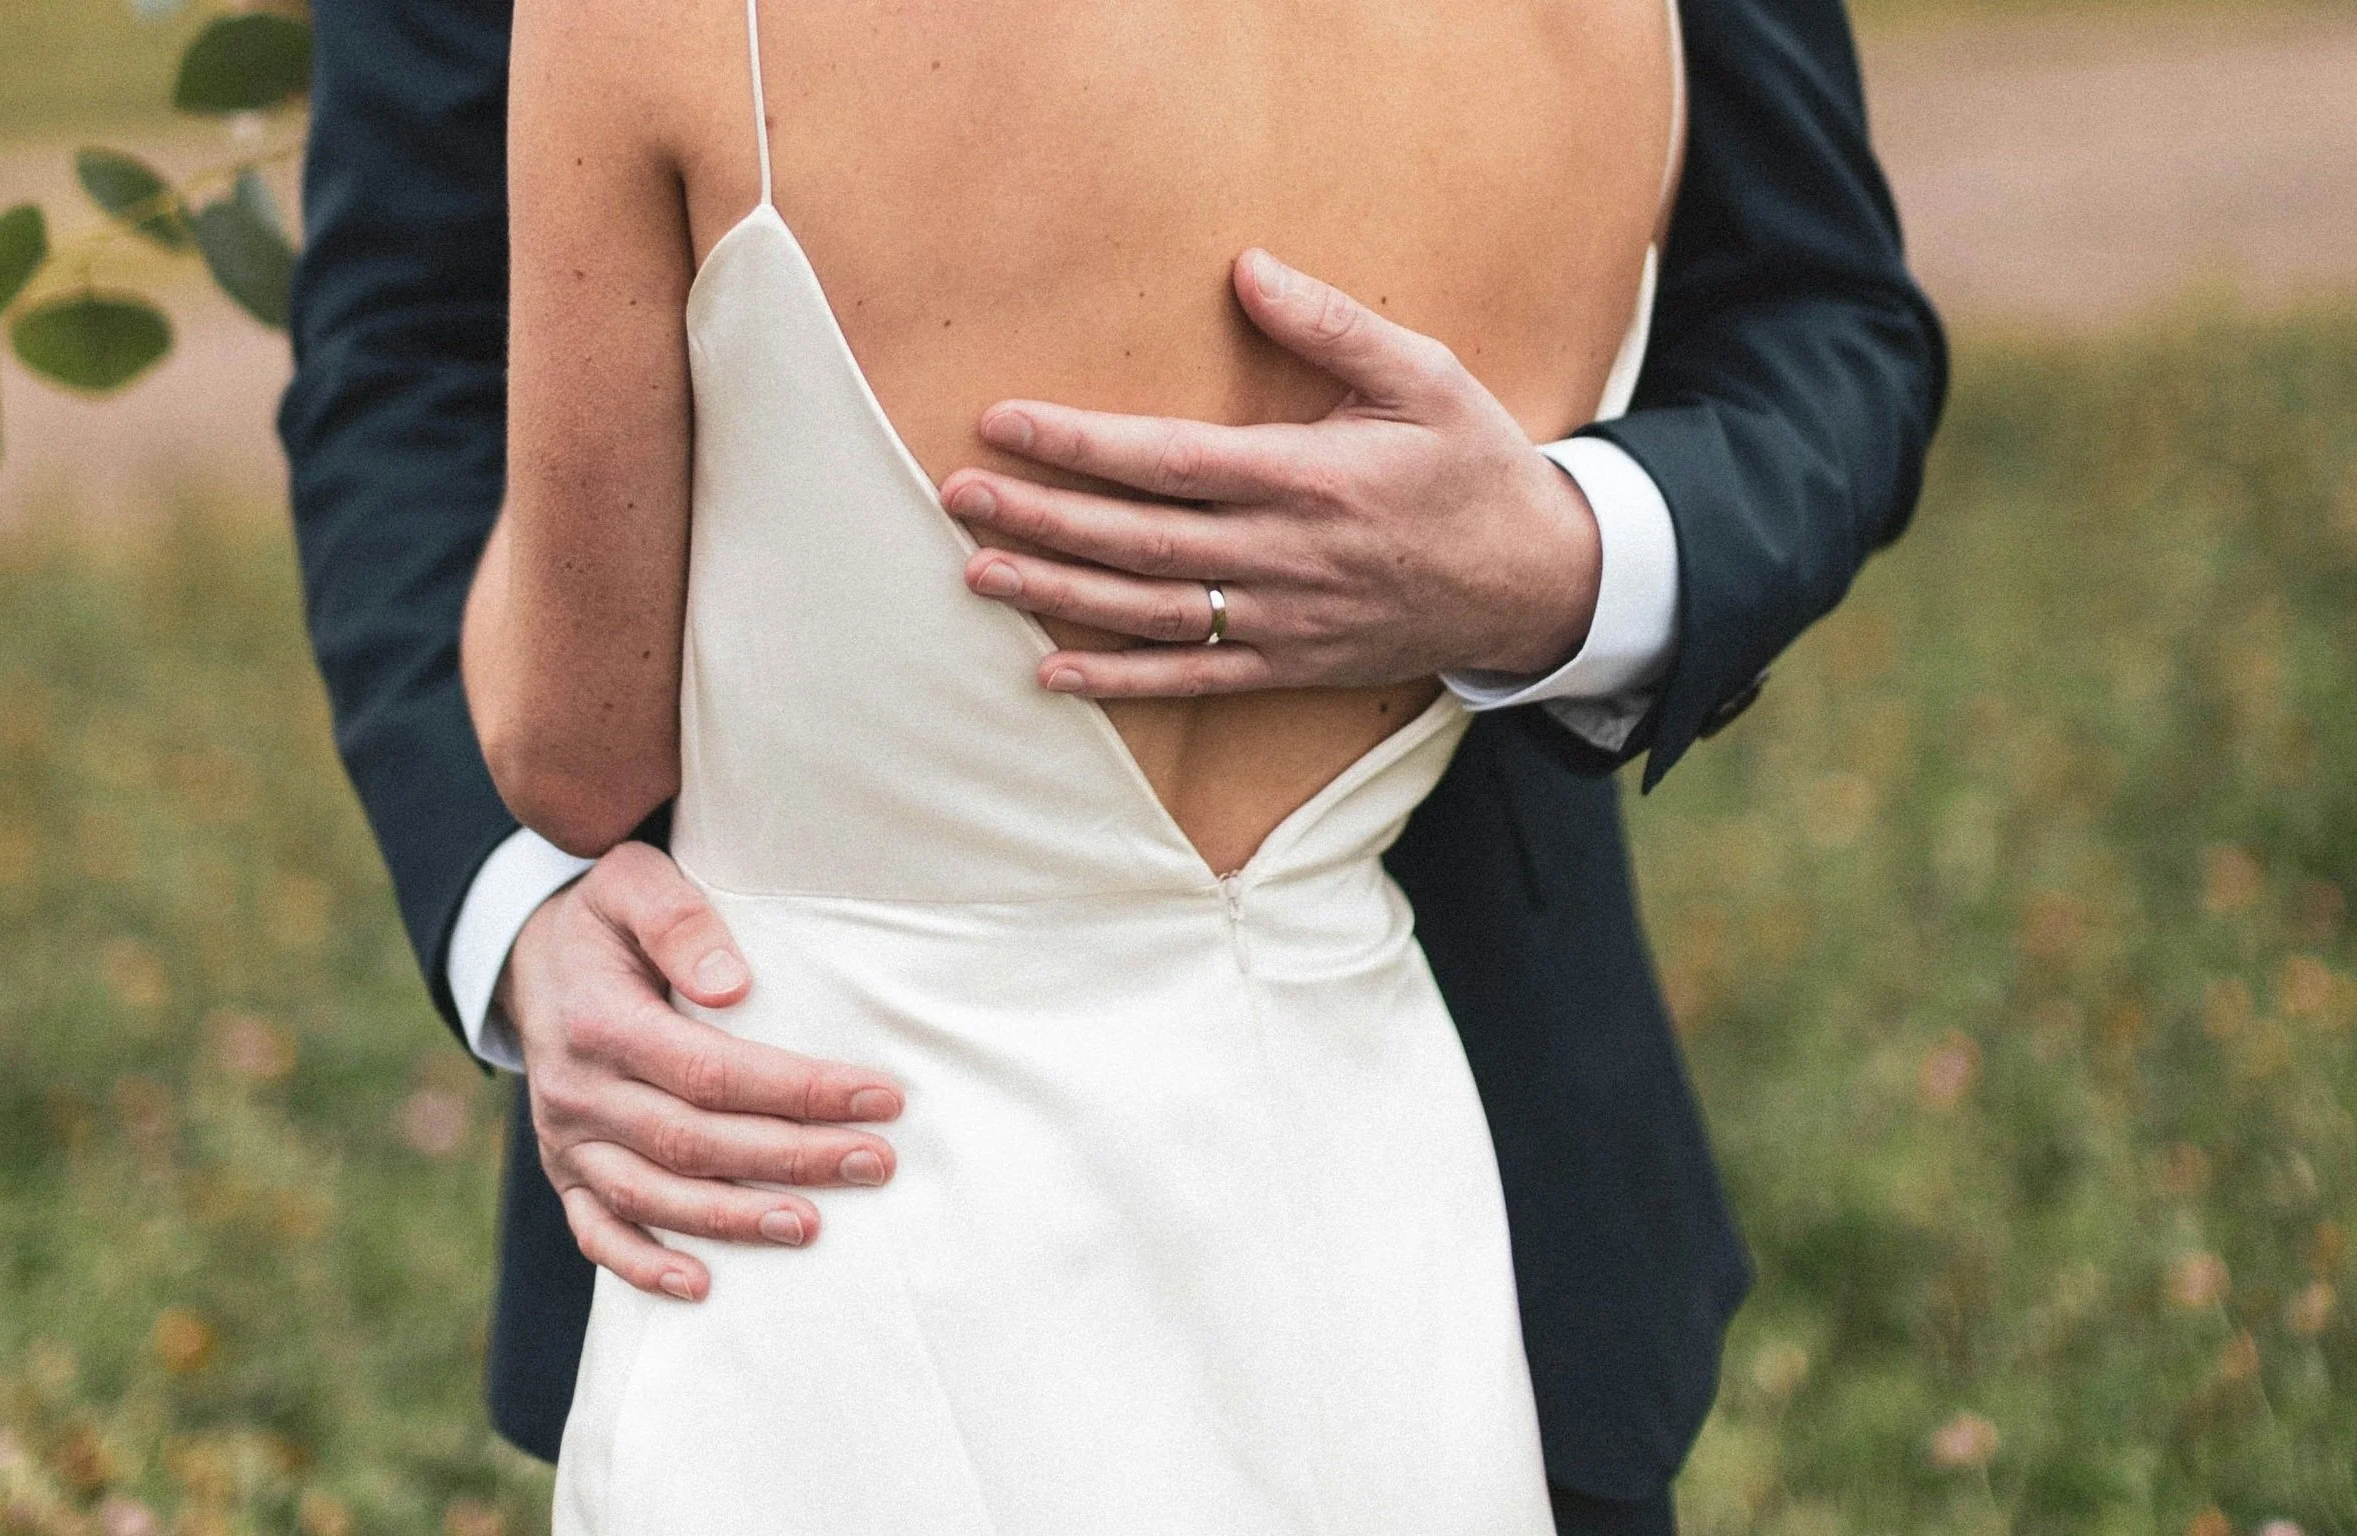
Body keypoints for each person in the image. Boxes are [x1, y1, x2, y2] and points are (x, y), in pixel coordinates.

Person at [280, 0, 1944, 1529]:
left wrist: (1566, 561)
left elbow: (1825, 318)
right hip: (1369, 1195)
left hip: (857, 1224)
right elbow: (400, 362)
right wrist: (523, 914)